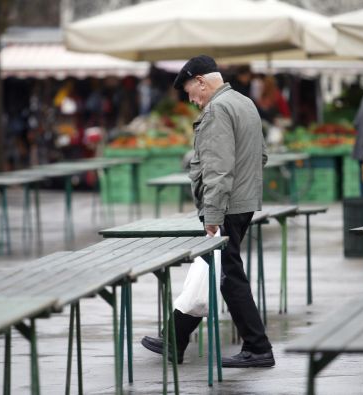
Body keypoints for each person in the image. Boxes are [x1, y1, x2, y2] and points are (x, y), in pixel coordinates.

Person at [141, 55, 274, 368]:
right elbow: (262, 156)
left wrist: (213, 214)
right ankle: (174, 337)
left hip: (226, 206)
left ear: (201, 80)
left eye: (190, 90)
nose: (191, 98)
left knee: (228, 276)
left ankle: (258, 348)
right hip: (242, 201)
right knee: (211, 269)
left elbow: (217, 169)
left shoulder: (216, 109)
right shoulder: (244, 103)